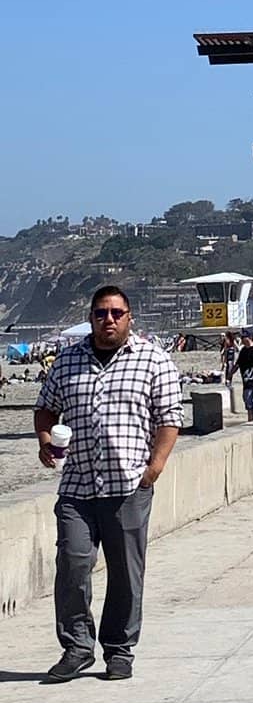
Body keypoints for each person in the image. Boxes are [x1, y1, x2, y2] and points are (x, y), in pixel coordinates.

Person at [34, 286, 182, 682]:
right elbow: (46, 409)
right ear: (91, 317)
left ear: (130, 316)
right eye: (101, 313)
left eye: (117, 312)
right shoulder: (67, 362)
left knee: (125, 572)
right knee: (73, 564)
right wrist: (45, 441)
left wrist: (156, 466)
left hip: (129, 487)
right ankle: (77, 647)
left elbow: (170, 417)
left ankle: (119, 649)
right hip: (78, 488)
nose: (109, 319)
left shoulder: (153, 360)